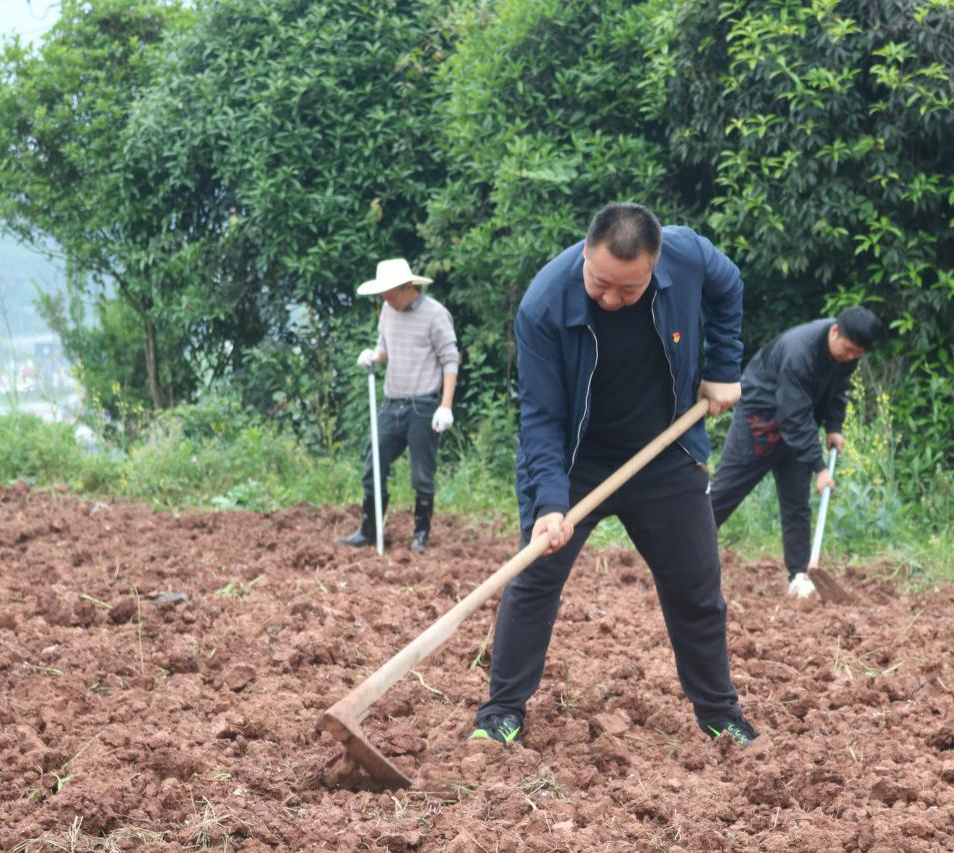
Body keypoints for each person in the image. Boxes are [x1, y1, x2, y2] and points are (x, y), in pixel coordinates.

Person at [470, 202, 758, 748]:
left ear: (656, 265)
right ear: (585, 252)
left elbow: (729, 286)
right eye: (600, 283)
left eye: (628, 289)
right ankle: (501, 712)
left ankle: (720, 715)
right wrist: (550, 503)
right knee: (533, 579)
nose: (609, 298)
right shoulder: (544, 305)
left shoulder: (688, 254)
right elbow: (541, 418)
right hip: (576, 459)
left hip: (664, 449)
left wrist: (724, 368)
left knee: (696, 588)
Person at [709, 307, 881, 598]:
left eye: (857, 354)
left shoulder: (846, 354)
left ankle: (799, 575)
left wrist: (834, 426)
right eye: (848, 350)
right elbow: (793, 415)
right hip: (760, 420)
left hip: (799, 426)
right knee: (726, 492)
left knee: (797, 503)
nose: (851, 357)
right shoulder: (799, 352)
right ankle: (679, 549)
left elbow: (839, 389)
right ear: (835, 331)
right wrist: (820, 468)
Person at [336, 258, 459, 553]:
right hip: (391, 403)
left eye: (390, 293)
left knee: (421, 474)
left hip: (423, 405)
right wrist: (373, 356)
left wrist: (445, 406)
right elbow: (385, 349)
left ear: (407, 287)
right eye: (383, 294)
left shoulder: (435, 315)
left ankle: (420, 535)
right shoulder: (388, 311)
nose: (386, 299)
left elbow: (450, 359)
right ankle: (369, 530)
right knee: (373, 463)